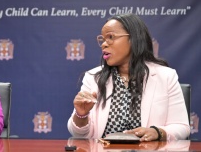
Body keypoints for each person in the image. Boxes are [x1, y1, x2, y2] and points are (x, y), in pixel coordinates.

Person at [67, 13, 190, 141]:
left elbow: (181, 127)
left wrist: (158, 132)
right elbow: (78, 134)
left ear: (134, 39)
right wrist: (81, 115)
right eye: (102, 39)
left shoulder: (166, 76)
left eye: (110, 37)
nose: (104, 44)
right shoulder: (93, 78)